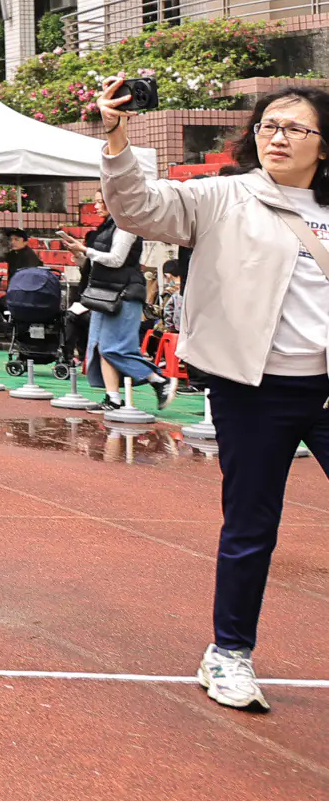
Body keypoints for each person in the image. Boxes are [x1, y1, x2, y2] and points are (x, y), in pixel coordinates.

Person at [97, 78, 329, 713]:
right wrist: (117, 138)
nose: (278, 137)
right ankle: (229, 654)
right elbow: (138, 208)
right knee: (253, 526)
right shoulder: (223, 196)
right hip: (256, 391)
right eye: (268, 125)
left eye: (295, 128)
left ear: (324, 145)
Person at [81, 214, 171, 411]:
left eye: (101, 201)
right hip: (105, 292)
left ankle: (158, 379)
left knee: (114, 348)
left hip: (124, 292)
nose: (97, 206)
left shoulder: (127, 226)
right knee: (100, 347)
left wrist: (85, 251)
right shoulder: (109, 225)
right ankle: (112, 398)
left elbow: (116, 259)